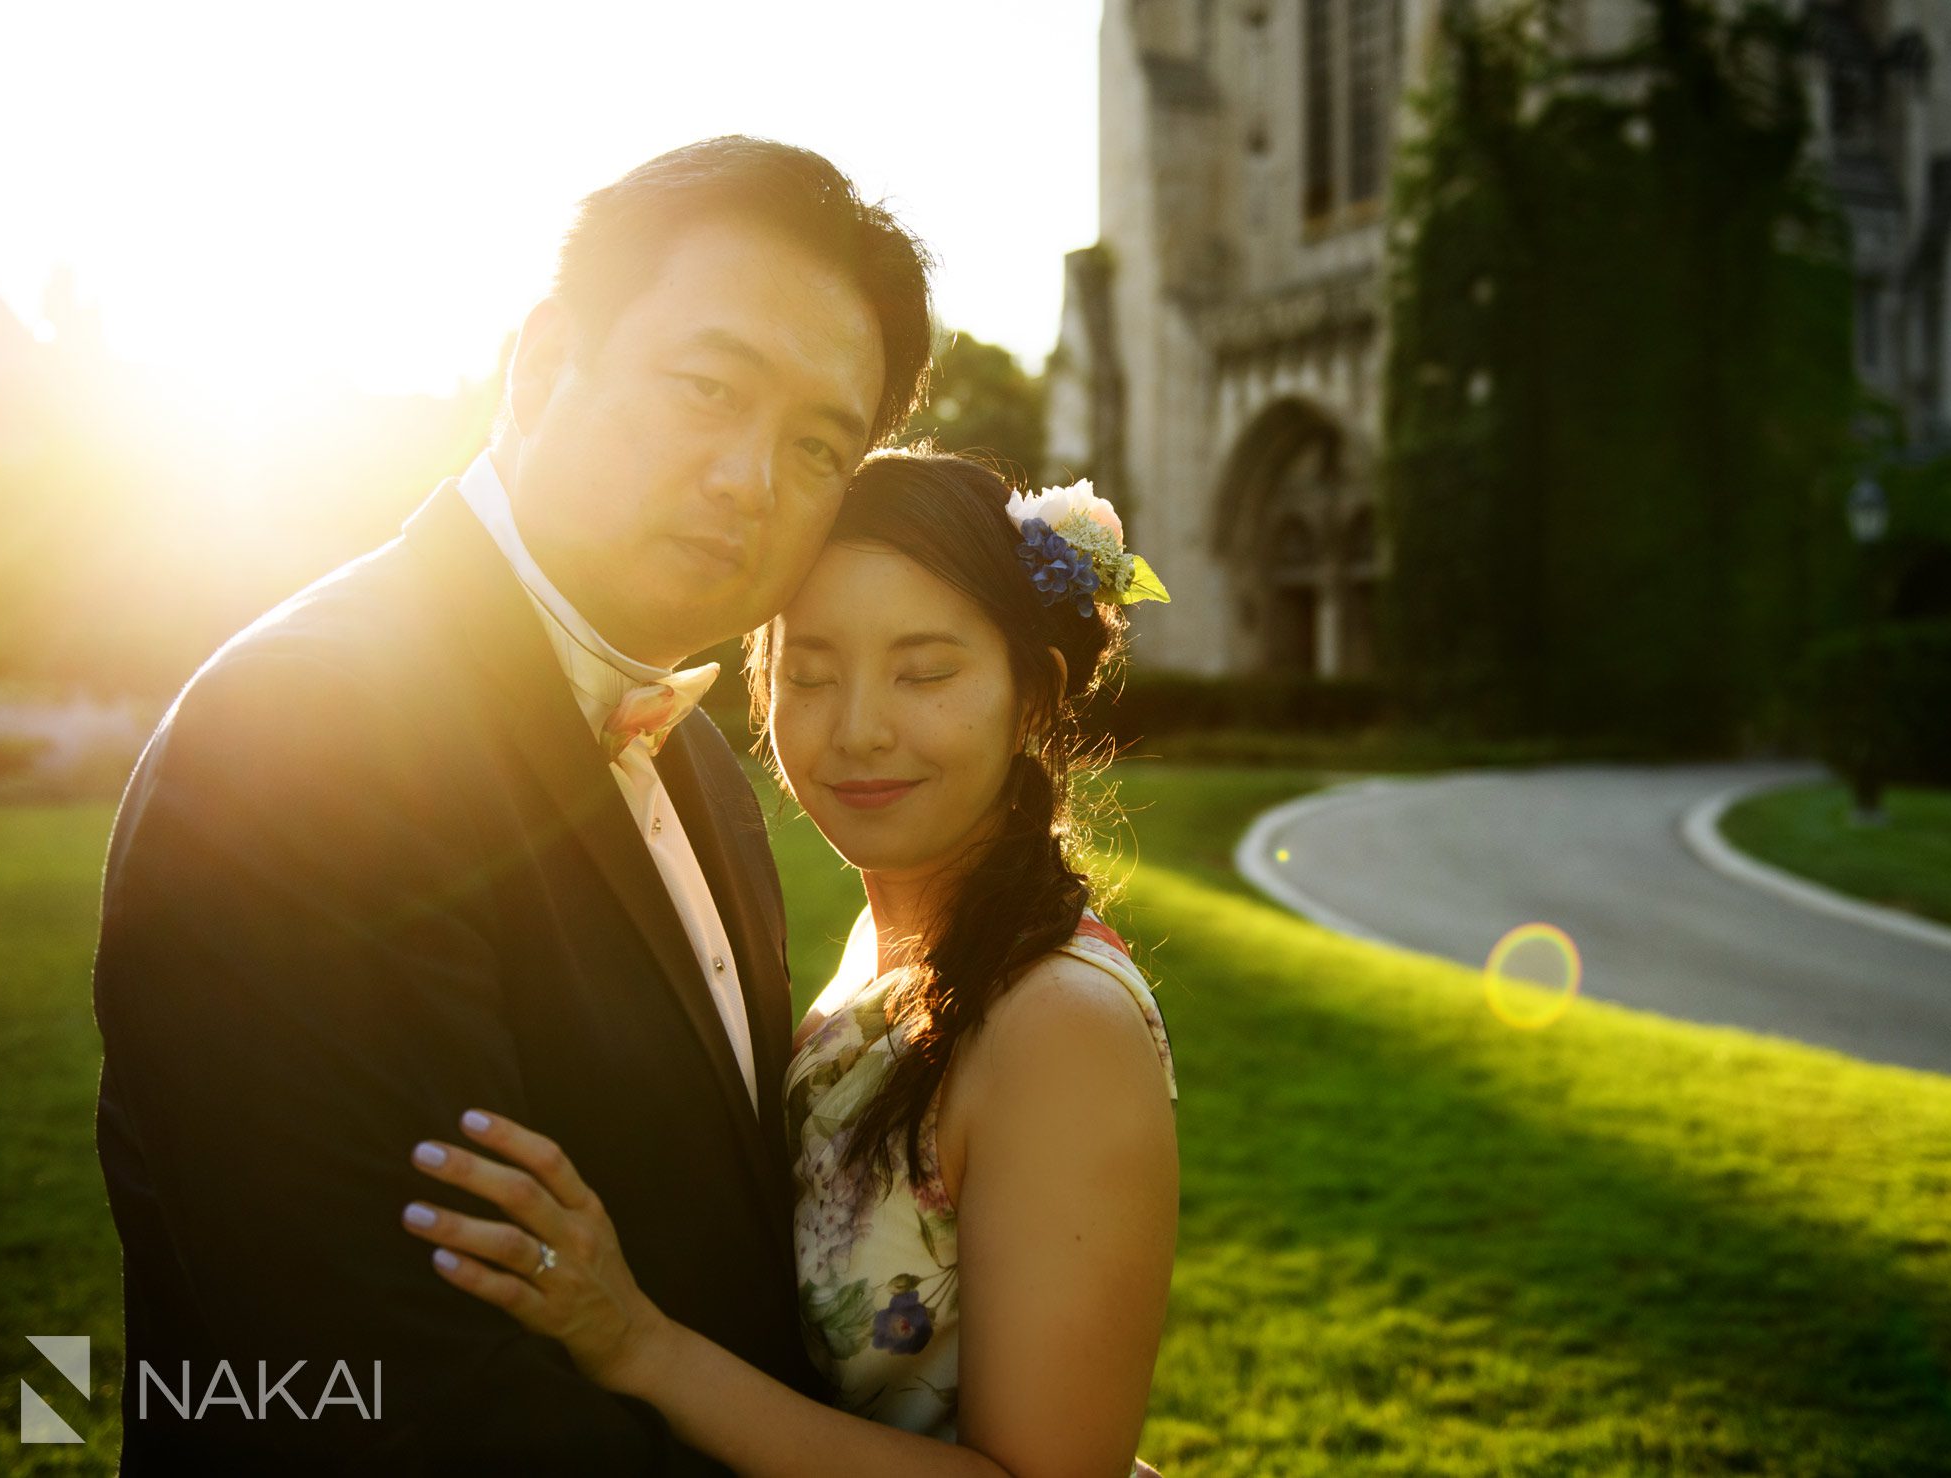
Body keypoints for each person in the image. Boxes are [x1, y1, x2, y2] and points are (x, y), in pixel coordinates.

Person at [91, 136, 933, 1474]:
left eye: (818, 444)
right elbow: (380, 1386)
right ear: (546, 365)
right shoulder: (302, 733)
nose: (750, 483)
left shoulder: (706, 766)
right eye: (709, 388)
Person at [398, 453, 1180, 1476]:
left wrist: (643, 1346)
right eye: (809, 673)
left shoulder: (1057, 1025)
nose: (857, 727)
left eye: (925, 670)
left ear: (1029, 691)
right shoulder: (884, 950)